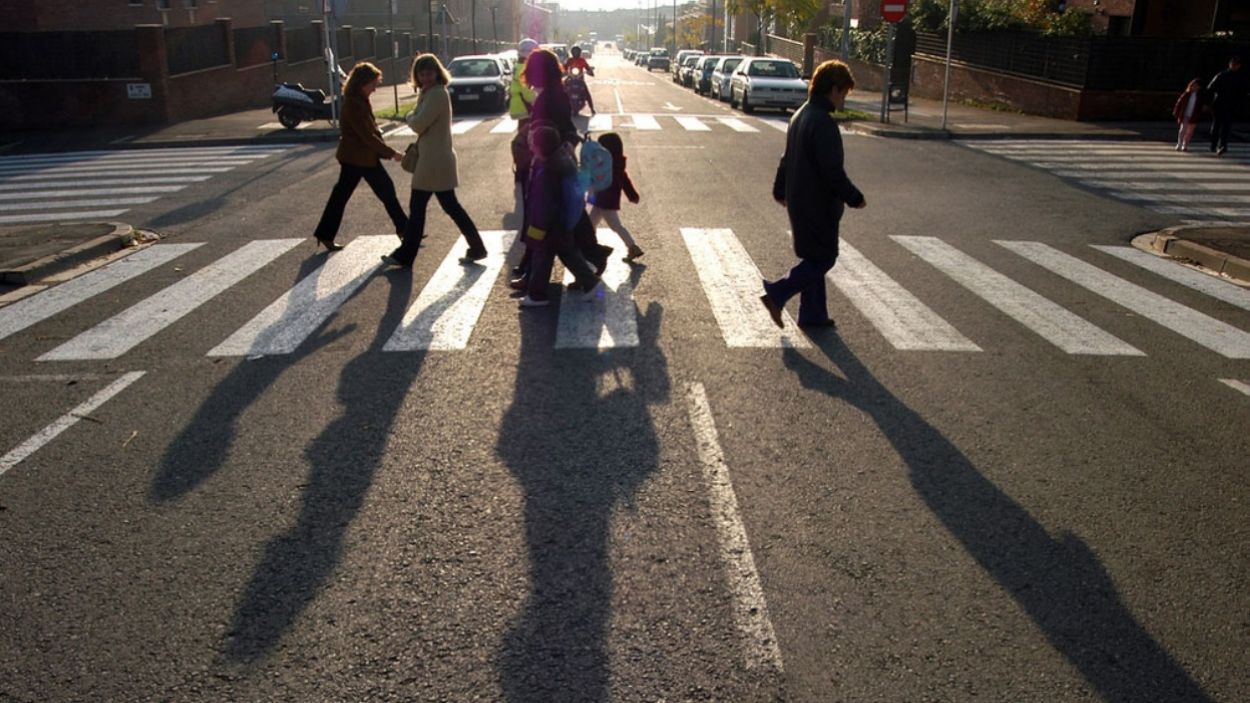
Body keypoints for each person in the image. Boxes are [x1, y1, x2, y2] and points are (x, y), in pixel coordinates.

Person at [760, 59, 865, 330]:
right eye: (843, 93)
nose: (843, 100)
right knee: (823, 258)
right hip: (818, 203)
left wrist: (780, 188)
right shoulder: (823, 122)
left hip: (801, 200)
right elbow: (832, 171)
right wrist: (853, 196)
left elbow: (786, 158)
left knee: (814, 256)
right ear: (833, 89)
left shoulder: (801, 115)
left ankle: (812, 314)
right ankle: (778, 292)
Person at [383, 53, 486, 268]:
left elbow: (418, 123)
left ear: (437, 72)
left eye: (429, 73)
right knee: (449, 207)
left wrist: (410, 117)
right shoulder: (429, 93)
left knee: (419, 208)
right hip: (435, 160)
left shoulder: (437, 94)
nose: (426, 77)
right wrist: (414, 115)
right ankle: (477, 247)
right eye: (422, 73)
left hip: (433, 162)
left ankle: (405, 255)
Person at [311, 61, 407, 251]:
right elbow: (366, 136)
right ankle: (405, 230)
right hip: (358, 158)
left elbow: (369, 132)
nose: (374, 89)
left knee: (347, 195)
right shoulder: (354, 104)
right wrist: (391, 153)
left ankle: (405, 229)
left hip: (360, 157)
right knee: (382, 192)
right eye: (373, 84)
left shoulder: (359, 100)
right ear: (362, 83)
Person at [519, 124, 602, 307]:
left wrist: (537, 227)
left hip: (548, 224)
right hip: (559, 222)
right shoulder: (556, 161)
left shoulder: (548, 170)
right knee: (566, 253)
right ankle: (590, 282)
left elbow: (543, 204)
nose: (530, 143)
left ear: (541, 146)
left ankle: (538, 295)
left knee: (543, 256)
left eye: (533, 141)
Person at [588, 132, 643, 262]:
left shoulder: (607, 165)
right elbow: (625, 181)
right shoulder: (616, 163)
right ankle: (589, 247)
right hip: (605, 200)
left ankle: (632, 247)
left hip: (605, 201)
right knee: (591, 224)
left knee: (615, 226)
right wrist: (632, 195)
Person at [509, 38, 540, 213]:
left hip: (520, 108)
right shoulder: (523, 68)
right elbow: (528, 91)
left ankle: (522, 170)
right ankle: (523, 170)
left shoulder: (517, 65)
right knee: (526, 141)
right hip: (526, 109)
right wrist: (537, 104)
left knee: (523, 140)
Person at [1207, 56, 1245, 156]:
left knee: (1225, 127)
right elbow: (1211, 88)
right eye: (1233, 64)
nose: (1234, 66)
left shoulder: (1238, 77)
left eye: (1236, 64)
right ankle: (1215, 144)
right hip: (1221, 103)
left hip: (1228, 104)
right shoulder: (1222, 75)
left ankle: (1221, 145)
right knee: (1217, 125)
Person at [1173, 78, 1205, 152]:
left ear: (1199, 87)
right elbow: (1179, 103)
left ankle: (1185, 145)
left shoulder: (1200, 97)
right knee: (1182, 130)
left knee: (1189, 132)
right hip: (1185, 115)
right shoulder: (1186, 94)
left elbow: (1201, 108)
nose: (1194, 87)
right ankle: (1179, 144)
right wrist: (1176, 112)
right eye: (1193, 86)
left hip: (1193, 116)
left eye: (1196, 86)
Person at [563, 45, 597, 116]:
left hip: (580, 79)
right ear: (572, 52)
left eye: (577, 52)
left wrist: (590, 71)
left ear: (579, 52)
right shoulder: (570, 60)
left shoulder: (582, 60)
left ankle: (592, 108)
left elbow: (587, 67)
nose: (575, 53)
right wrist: (563, 71)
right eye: (574, 52)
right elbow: (565, 67)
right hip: (571, 78)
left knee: (586, 92)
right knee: (562, 88)